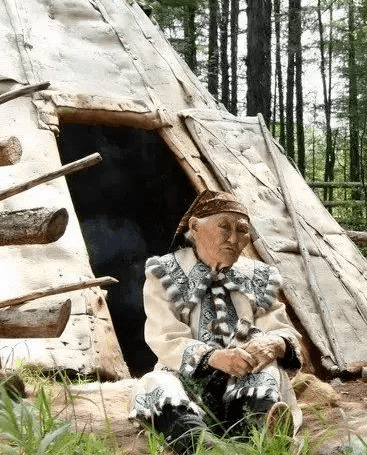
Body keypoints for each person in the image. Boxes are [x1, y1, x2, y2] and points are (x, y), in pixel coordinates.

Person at [128, 190, 303, 453]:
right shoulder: (164, 273)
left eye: (242, 230)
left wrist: (273, 344)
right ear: (195, 227)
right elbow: (164, 336)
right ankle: (202, 443)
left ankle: (257, 432)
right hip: (187, 379)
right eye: (224, 227)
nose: (234, 238)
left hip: (245, 378)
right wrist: (213, 358)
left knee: (266, 371)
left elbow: (279, 328)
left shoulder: (260, 276)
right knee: (155, 384)